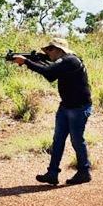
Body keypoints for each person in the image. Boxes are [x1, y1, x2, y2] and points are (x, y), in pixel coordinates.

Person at [12, 37, 93, 185]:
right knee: (58, 140)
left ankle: (84, 171)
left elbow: (48, 70)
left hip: (78, 107)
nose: (48, 52)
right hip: (66, 106)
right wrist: (35, 61)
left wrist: (26, 62)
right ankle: (52, 173)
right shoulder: (64, 62)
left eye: (50, 49)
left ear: (59, 49)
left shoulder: (70, 60)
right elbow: (50, 76)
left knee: (76, 140)